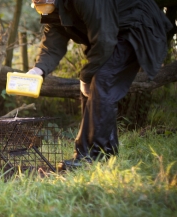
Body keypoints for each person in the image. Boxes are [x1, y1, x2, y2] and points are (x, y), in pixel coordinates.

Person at [28, 0, 173, 169]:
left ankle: (91, 158)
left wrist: (86, 76)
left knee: (103, 82)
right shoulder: (52, 6)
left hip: (136, 27)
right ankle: (106, 153)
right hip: (112, 35)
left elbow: (104, 39)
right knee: (91, 91)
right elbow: (53, 43)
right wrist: (38, 70)